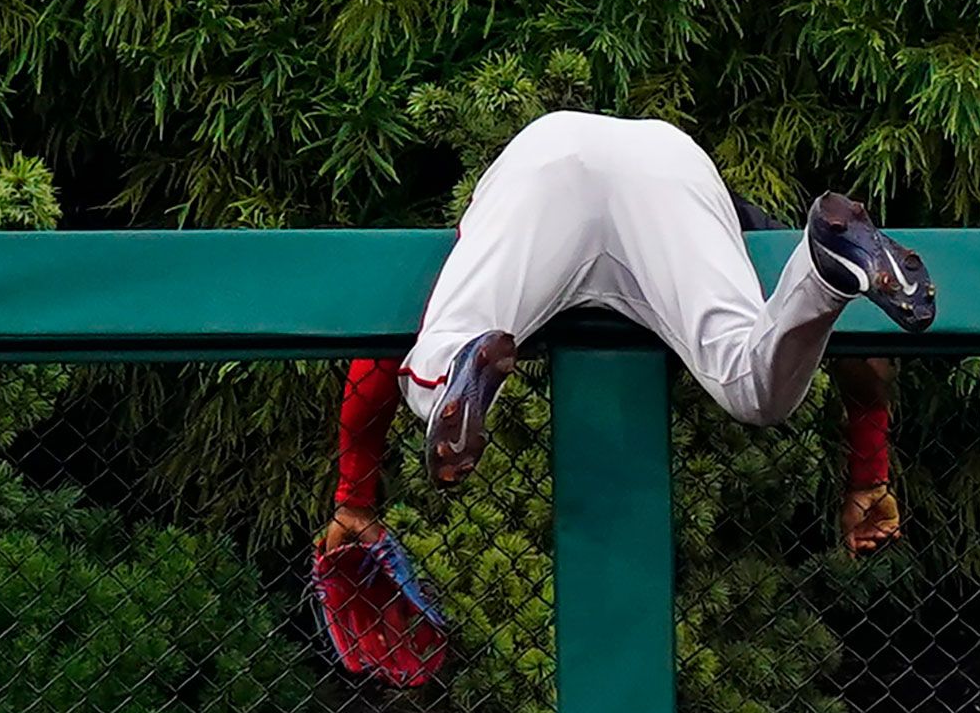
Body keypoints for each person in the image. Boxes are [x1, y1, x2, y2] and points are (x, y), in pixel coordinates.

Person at [318, 110, 934, 561]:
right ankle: (822, 271)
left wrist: (355, 498)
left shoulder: (506, 190)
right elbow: (864, 356)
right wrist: (868, 473)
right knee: (753, 383)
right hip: (668, 168)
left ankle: (459, 365)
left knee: (446, 342)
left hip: (545, 160)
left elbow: (384, 339)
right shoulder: (726, 209)